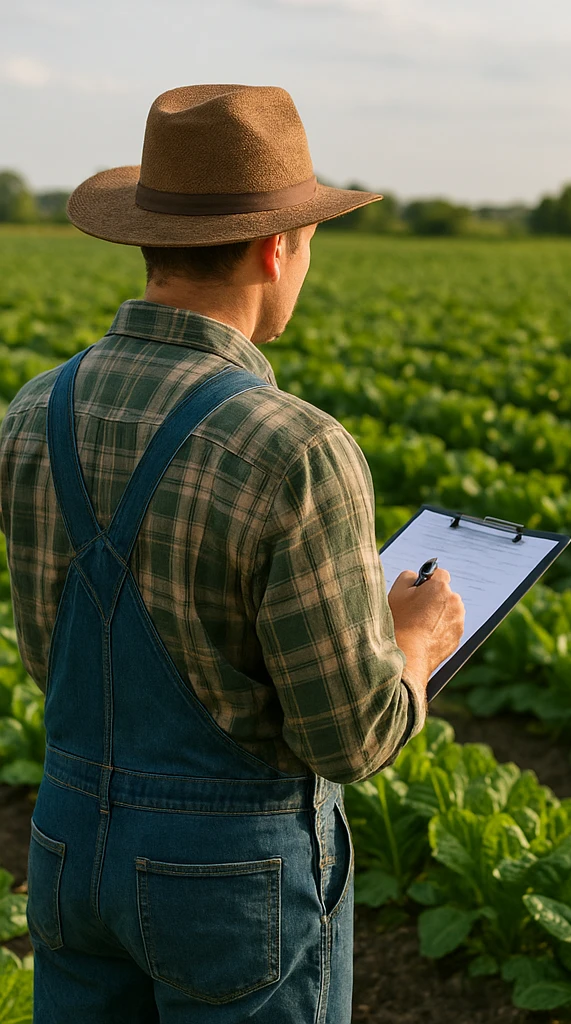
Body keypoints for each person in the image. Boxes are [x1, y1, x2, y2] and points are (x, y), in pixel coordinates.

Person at [0, 83, 465, 1023]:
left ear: (151, 240)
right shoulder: (295, 447)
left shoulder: (32, 410)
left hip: (65, 849)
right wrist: (412, 642)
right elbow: (352, 736)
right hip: (229, 882)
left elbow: (61, 649)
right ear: (274, 246)